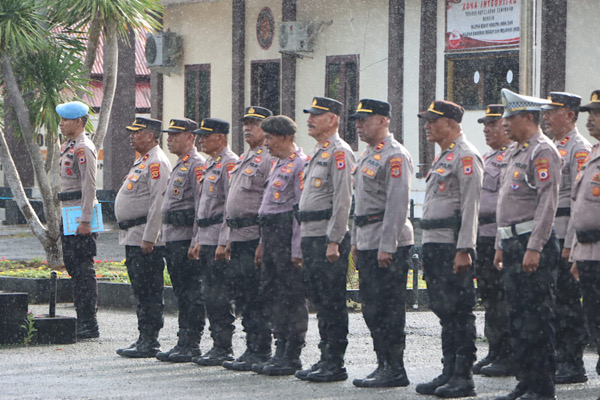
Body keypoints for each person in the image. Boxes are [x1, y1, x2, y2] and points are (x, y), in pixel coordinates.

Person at [493, 88, 561, 400]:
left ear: (528, 118)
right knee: (517, 317)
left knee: (537, 318)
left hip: (531, 243)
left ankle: (542, 387)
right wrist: (499, 243)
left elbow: (547, 203)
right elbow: (506, 203)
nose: (504, 123)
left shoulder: (542, 151)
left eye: (511, 117)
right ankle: (525, 380)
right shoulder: (514, 152)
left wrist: (535, 247)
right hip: (511, 242)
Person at [416, 100, 482, 398]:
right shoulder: (444, 157)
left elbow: (471, 206)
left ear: (452, 124)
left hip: (453, 246)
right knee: (444, 309)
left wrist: (464, 248)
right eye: (426, 120)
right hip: (436, 243)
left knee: (458, 311)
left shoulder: (465, 156)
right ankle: (448, 370)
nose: (427, 126)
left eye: (433, 120)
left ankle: (463, 376)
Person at [348, 99, 414, 388]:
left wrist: (388, 245)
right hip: (367, 239)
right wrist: (355, 239)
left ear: (383, 120)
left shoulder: (395, 155)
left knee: (389, 308)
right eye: (357, 120)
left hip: (388, 242)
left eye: (364, 119)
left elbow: (398, 204)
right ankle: (382, 363)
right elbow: (360, 203)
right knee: (372, 308)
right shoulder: (368, 154)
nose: (358, 125)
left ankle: (395, 368)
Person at [294, 97, 355, 383]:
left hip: (327, 238)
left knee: (332, 301)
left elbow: (343, 200)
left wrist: (334, 240)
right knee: (319, 299)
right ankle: (325, 356)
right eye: (309, 114)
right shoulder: (318, 152)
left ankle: (335, 362)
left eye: (316, 115)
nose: (310, 119)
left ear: (333, 119)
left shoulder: (339, 152)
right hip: (311, 235)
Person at [251, 115, 308, 376]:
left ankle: (292, 353)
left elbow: (299, 211)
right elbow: (268, 209)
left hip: (287, 235)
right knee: (272, 293)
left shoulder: (300, 164)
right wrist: (262, 243)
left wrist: (297, 248)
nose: (265, 143)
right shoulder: (278, 164)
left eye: (270, 138)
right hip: (271, 236)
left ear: (285, 137)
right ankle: (280, 347)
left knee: (291, 296)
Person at [541, 92, 591, 384]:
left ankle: (572, 362)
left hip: (565, 235)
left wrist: (570, 244)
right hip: (551, 234)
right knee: (554, 300)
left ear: (570, 115)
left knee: (568, 302)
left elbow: (578, 201)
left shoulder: (578, 148)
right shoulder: (553, 147)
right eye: (545, 112)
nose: (546, 117)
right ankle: (560, 356)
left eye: (552, 112)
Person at [221, 106, 274, 372]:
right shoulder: (246, 157)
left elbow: (269, 203)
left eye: (254, 123)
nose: (247, 128)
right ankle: (251, 347)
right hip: (239, 236)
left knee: (256, 296)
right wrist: (229, 237)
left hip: (254, 235)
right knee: (243, 295)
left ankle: (261, 349)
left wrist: (263, 241)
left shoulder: (268, 158)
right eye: (246, 123)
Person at [115, 117, 172, 358]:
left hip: (144, 238)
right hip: (133, 235)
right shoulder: (143, 161)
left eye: (137, 132)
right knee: (140, 289)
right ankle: (143, 337)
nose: (132, 136)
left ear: (150, 135)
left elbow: (158, 203)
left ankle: (150, 341)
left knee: (149, 290)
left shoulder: (157, 162)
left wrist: (150, 237)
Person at [155, 118, 206, 363]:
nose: (170, 139)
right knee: (181, 292)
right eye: (169, 134)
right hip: (174, 237)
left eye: (175, 135)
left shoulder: (196, 165)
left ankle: (191, 343)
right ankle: (183, 341)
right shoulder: (180, 164)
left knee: (190, 293)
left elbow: (201, 206)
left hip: (186, 239)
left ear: (190, 137)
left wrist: (197, 239)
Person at [190, 118, 239, 366]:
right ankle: (216, 344)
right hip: (206, 237)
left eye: (205, 136)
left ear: (220, 138)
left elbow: (229, 206)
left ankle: (224, 346)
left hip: (218, 237)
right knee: (210, 294)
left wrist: (223, 241)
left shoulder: (229, 163)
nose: (201, 140)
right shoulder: (210, 163)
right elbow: (202, 207)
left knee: (220, 295)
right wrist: (198, 239)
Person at [473, 105, 513, 377]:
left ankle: (508, 354)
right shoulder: (486, 157)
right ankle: (495, 349)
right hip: (482, 237)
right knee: (489, 297)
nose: (486, 130)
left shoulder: (513, 157)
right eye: (485, 125)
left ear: (506, 126)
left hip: (501, 237)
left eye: (492, 124)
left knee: (503, 297)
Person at [56, 101, 99, 339]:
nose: (61, 124)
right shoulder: (70, 145)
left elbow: (89, 185)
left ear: (79, 121)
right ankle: (83, 318)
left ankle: (88, 323)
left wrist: (85, 220)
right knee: (73, 265)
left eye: (65, 120)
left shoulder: (83, 147)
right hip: (69, 212)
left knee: (83, 268)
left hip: (79, 215)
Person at [570, 89, 600, 400]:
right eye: (589, 113)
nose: (590, 119)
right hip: (589, 253)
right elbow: (581, 208)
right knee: (594, 317)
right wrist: (577, 255)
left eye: (597, 113)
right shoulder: (593, 154)